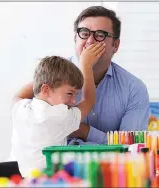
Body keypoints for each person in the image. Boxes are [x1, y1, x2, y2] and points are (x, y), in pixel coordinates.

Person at [11, 6, 149, 146]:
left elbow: (130, 147)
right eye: (84, 33)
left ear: (116, 45)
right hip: (53, 164)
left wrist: (83, 130)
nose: (90, 41)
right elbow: (18, 100)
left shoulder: (134, 89)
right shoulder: (54, 73)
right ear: (75, 38)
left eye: (100, 35)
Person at [10, 43, 105, 177]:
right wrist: (86, 65)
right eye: (70, 93)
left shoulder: (21, 108)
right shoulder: (57, 116)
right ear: (46, 90)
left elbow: (17, 96)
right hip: (46, 181)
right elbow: (88, 101)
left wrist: (46, 75)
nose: (73, 101)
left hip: (18, 179)